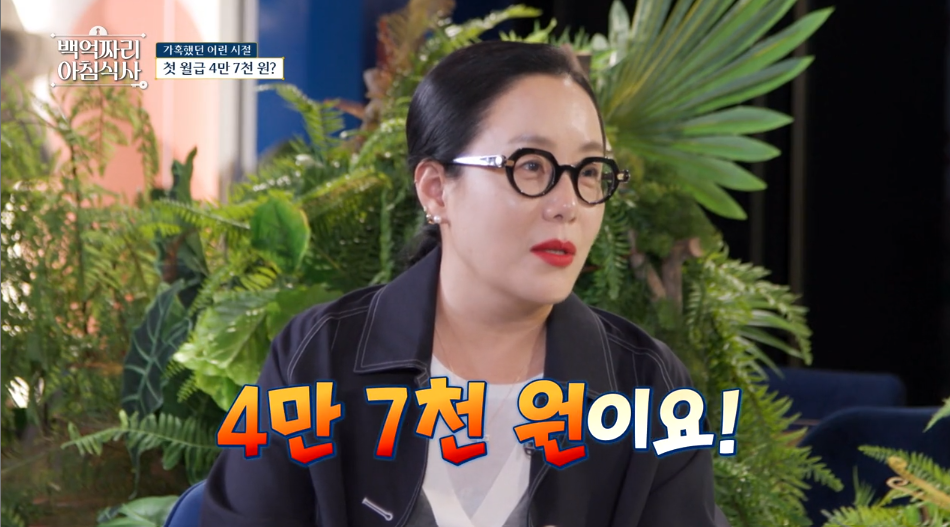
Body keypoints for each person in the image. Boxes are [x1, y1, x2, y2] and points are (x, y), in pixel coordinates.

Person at [200, 40, 729, 527]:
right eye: (531, 166)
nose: (567, 205)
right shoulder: (319, 360)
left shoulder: (647, 387)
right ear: (436, 189)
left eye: (590, 171)